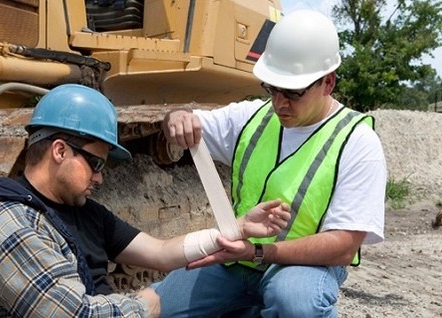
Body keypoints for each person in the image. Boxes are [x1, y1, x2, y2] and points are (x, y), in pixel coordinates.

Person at [0, 83, 291, 317]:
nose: (100, 177)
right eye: (96, 163)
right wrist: (151, 302)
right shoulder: (9, 225)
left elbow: (159, 252)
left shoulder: (82, 211)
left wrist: (237, 228)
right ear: (59, 151)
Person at [153, 9, 387, 317]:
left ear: (328, 83)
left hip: (302, 268)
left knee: (296, 302)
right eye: (272, 88)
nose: (279, 103)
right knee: (156, 307)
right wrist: (176, 118)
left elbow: (344, 245)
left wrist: (260, 252)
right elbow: (186, 121)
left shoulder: (357, 142)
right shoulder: (253, 117)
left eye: (293, 92)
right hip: (235, 263)